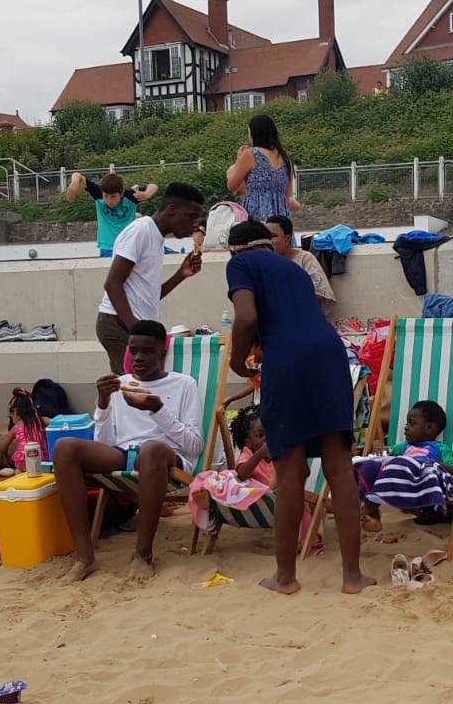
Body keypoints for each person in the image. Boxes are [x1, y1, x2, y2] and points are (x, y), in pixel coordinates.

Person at [226, 220, 371, 596]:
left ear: (234, 250)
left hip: (288, 363)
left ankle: (286, 577)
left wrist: (237, 361)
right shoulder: (294, 268)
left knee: (290, 474)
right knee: (339, 468)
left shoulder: (240, 265)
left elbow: (246, 317)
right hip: (330, 355)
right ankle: (352, 577)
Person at [52, 319, 203, 582]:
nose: (139, 358)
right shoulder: (120, 384)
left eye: (147, 351)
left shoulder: (184, 384)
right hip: (125, 454)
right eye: (134, 351)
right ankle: (84, 557)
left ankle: (143, 555)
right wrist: (103, 402)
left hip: (167, 458)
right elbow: (105, 440)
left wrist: (157, 410)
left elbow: (194, 445)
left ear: (162, 354)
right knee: (65, 448)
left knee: (152, 449)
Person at [96, 183, 205, 375]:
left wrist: (181, 274)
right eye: (191, 216)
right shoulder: (141, 231)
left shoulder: (156, 236)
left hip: (131, 325)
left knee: (129, 389)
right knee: (137, 387)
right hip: (118, 324)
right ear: (172, 210)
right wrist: (137, 330)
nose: (195, 224)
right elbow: (112, 284)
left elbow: (150, 295)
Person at [353, 400, 453, 533]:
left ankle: (366, 511)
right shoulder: (404, 447)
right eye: (407, 423)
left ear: (429, 428)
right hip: (400, 482)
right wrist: (377, 446)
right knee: (373, 465)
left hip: (420, 481)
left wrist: (431, 464)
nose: (406, 427)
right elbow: (385, 453)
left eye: (412, 423)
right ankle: (372, 514)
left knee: (398, 463)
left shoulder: (441, 448)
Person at [188, 404, 278, 546]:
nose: (266, 439)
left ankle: (209, 500)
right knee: (227, 479)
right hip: (251, 500)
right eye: (260, 435)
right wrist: (260, 454)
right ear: (248, 443)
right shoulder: (248, 453)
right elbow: (241, 474)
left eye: (269, 434)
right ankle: (208, 502)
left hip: (273, 499)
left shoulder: (278, 455)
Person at [226, 113, 301, 222]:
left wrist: (238, 159)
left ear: (254, 133)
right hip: (281, 219)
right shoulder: (286, 159)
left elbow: (232, 185)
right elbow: (288, 196)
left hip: (257, 215)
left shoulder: (250, 154)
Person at [65, 172, 157, 257]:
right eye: (106, 196)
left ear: (121, 193)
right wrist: (74, 183)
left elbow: (153, 186)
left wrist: (147, 193)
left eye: (113, 197)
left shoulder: (130, 196)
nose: (109, 201)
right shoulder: (98, 193)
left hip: (129, 247)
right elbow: (78, 176)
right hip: (107, 247)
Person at [264, 214, 336, 317]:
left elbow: (321, 294)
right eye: (266, 237)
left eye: (274, 236)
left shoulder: (304, 259)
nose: (269, 241)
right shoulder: (264, 262)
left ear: (288, 238)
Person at [0, 385, 49, 471]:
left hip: (23, 464)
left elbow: (0, 451)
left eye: (11, 415)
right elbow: (55, 422)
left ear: (15, 411)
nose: (11, 418)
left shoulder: (16, 427)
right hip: (43, 462)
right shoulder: (42, 420)